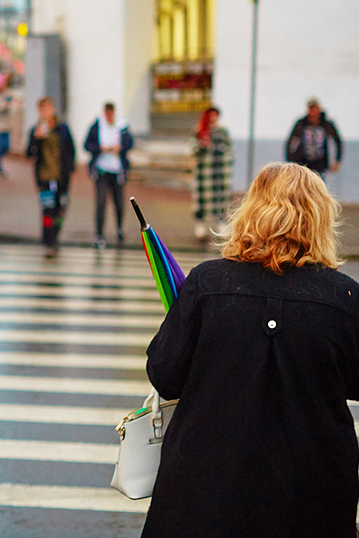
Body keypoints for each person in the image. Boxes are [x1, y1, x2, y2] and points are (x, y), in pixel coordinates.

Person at [143, 162, 357, 537]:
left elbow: (165, 374)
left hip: (206, 491)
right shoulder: (345, 297)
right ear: (320, 218)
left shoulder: (207, 283)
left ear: (250, 210)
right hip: (310, 494)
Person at [26, 97, 75, 257]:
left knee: (60, 209)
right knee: (47, 210)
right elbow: (29, 153)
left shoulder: (62, 128)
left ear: (53, 110)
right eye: (42, 110)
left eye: (47, 109)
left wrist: (70, 170)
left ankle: (54, 236)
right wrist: (36, 139)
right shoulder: (35, 130)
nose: (45, 113)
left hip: (61, 177)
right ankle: (49, 242)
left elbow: (71, 149)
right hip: (44, 177)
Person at [83, 102, 133, 248]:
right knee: (100, 202)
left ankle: (119, 228)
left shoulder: (122, 126)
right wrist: (100, 148)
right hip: (102, 170)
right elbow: (87, 145)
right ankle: (99, 234)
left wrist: (120, 148)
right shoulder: (97, 126)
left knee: (119, 202)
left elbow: (130, 143)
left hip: (117, 171)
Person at [192, 106, 233, 239]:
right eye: (210, 116)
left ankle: (222, 223)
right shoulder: (199, 130)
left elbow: (229, 150)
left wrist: (214, 146)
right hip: (204, 172)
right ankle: (200, 225)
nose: (213, 119)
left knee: (221, 199)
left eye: (215, 116)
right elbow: (193, 148)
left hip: (219, 172)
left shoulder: (222, 131)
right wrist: (201, 146)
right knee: (202, 200)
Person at [285, 97, 342, 176]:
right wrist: (290, 161)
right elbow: (290, 142)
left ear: (319, 109)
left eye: (315, 109)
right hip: (304, 163)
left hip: (320, 165)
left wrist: (337, 160)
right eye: (311, 109)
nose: (313, 112)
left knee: (319, 182)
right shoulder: (301, 123)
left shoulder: (326, 124)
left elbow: (338, 141)